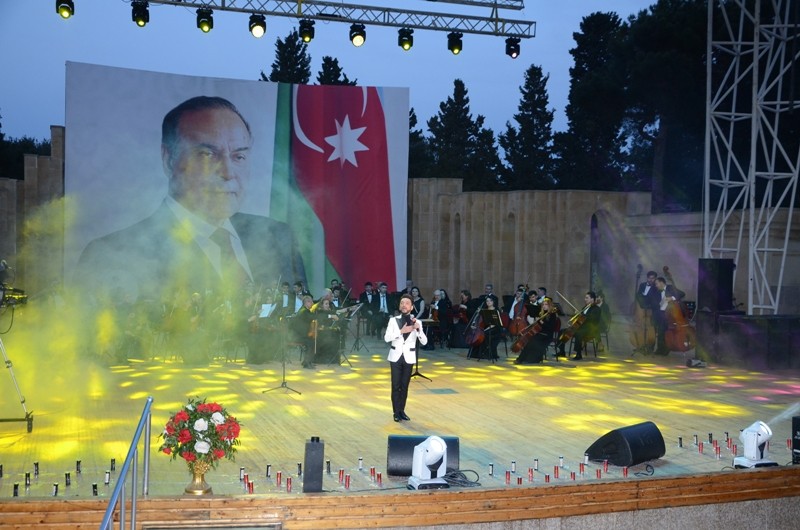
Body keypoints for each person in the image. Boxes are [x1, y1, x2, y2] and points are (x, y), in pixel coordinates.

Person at [75, 95, 306, 309]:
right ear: (168, 160)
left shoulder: (279, 237)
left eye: (239, 156)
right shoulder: (110, 255)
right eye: (207, 155)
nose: (227, 172)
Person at [384, 294, 428, 422]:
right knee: (395, 385)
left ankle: (402, 410)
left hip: (409, 357)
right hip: (395, 357)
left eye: (407, 303)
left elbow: (424, 342)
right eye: (402, 303)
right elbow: (387, 338)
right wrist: (401, 331)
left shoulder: (417, 322)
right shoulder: (393, 320)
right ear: (399, 305)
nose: (404, 305)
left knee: (405, 386)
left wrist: (418, 330)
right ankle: (396, 412)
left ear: (412, 306)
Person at [514, 297, 558, 364]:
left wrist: (542, 323)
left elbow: (551, 327)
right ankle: (523, 359)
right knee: (529, 341)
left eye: (546, 304)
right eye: (543, 304)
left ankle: (522, 359)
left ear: (549, 305)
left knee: (531, 341)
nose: (544, 306)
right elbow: (538, 326)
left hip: (547, 335)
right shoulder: (542, 314)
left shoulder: (552, 314)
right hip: (540, 333)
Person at [559, 291, 602, 361]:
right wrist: (577, 315)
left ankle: (578, 354)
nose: (585, 299)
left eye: (587, 298)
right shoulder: (585, 307)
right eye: (585, 298)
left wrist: (581, 315)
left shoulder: (597, 309)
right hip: (581, 327)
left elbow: (592, 319)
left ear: (592, 299)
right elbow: (580, 318)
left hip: (590, 329)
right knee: (562, 331)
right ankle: (561, 351)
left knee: (578, 333)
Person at [654, 277, 686, 356]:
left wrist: (672, 298)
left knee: (667, 333)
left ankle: (667, 349)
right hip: (661, 314)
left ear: (661, 283)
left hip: (670, 315)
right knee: (661, 333)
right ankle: (659, 350)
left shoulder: (670, 288)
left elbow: (682, 293)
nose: (656, 285)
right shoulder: (657, 291)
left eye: (657, 283)